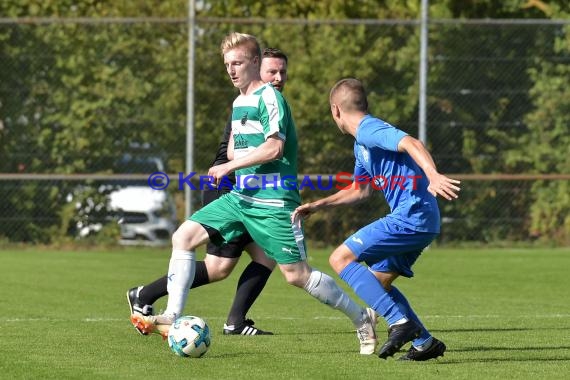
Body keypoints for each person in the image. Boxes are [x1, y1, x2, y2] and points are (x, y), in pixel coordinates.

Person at [130, 33, 378, 355]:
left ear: (255, 63)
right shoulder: (238, 102)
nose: (231, 70)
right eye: (227, 65)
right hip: (241, 199)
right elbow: (238, 148)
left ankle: (361, 318)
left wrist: (229, 168)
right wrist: (234, 157)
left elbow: (274, 148)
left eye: (237, 63)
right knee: (183, 237)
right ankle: (173, 316)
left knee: (297, 275)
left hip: (274, 202)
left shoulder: (270, 99)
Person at [292, 78, 461, 361]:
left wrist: (432, 174)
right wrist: (320, 204)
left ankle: (400, 322)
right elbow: (360, 189)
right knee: (378, 281)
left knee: (340, 259)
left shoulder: (370, 129)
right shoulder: (361, 145)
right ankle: (424, 343)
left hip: (411, 215)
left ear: (335, 110)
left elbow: (410, 142)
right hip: (421, 219)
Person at [127, 48, 289, 336]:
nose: (277, 78)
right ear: (256, 70)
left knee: (254, 259)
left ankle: (232, 321)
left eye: (282, 72)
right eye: (271, 71)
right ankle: (147, 296)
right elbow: (245, 154)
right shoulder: (251, 100)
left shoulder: (268, 101)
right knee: (220, 267)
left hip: (247, 194)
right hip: (229, 191)